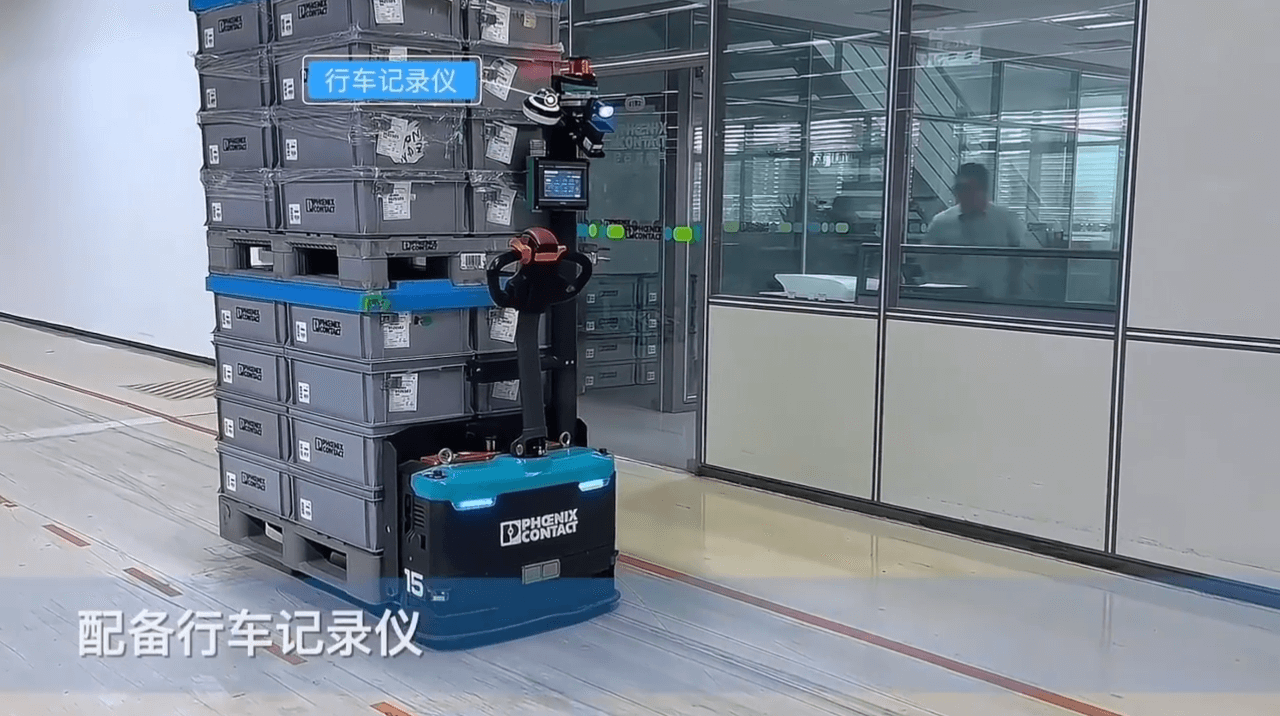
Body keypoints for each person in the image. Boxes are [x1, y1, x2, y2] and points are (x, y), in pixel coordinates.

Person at [923, 163, 1034, 301]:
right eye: (958, 189)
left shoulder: (1007, 221)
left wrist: (1015, 299)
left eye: (968, 188)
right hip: (952, 302)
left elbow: (1020, 263)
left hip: (995, 302)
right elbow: (927, 264)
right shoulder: (941, 223)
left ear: (983, 190)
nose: (961, 194)